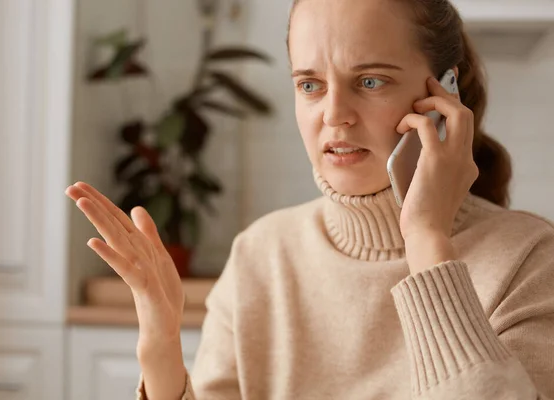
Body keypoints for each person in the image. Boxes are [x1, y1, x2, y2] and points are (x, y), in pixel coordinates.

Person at [66, 0, 554, 398]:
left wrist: (426, 239)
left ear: (444, 96)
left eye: (370, 81)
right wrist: (159, 341)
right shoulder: (260, 253)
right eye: (310, 85)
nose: (334, 115)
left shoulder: (529, 260)